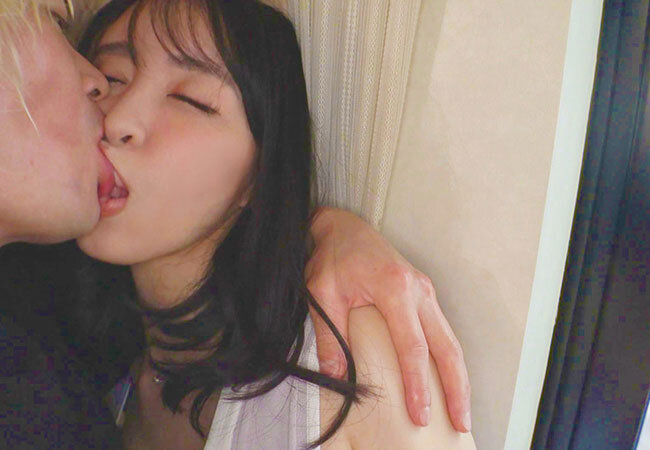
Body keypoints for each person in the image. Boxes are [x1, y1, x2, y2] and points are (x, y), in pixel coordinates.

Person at [0, 0, 470, 447]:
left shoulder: (347, 364)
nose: (119, 119)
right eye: (112, 78)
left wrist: (334, 227)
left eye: (188, 100)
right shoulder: (76, 346)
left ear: (260, 172)